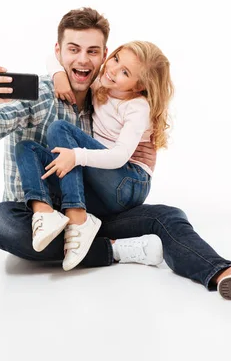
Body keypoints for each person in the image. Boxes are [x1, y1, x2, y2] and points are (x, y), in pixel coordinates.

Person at [0, 7, 231, 301]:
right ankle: (120, 250)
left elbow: (125, 105)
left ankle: (227, 274)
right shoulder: (43, 91)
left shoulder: (106, 87)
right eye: (72, 50)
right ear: (59, 52)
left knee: (167, 215)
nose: (83, 59)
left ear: (105, 55)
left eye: (94, 52)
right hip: (38, 216)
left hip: (92, 210)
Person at [14, 40, 173, 271]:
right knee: (26, 148)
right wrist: (59, 75)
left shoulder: (137, 107)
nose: (112, 69)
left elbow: (119, 156)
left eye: (125, 72)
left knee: (60, 129)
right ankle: (45, 213)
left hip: (129, 182)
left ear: (139, 86)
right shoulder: (103, 81)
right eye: (116, 59)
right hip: (102, 185)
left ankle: (78, 219)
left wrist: (77, 156)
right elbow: (53, 58)